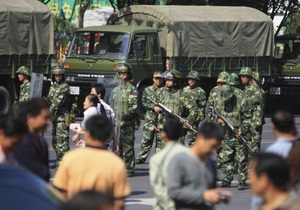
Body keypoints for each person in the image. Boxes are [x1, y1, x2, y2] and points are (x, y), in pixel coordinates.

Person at [53, 115, 130, 210]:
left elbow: (60, 192)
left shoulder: (70, 158)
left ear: (87, 133)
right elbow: (119, 202)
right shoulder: (116, 163)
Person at [167, 122, 228, 210]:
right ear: (200, 138)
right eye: (212, 146)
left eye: (216, 147)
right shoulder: (179, 160)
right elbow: (173, 192)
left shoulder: (210, 163)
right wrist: (203, 196)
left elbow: (210, 192)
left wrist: (217, 195)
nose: (214, 151)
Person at [149, 118, 189, 210]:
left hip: (164, 205)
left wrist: (171, 205)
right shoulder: (190, 155)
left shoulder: (156, 159)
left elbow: (158, 188)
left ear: (163, 134)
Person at [215, 85, 249, 190]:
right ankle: (226, 179)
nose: (226, 100)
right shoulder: (220, 103)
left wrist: (242, 130)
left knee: (241, 159)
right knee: (226, 158)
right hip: (227, 134)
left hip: (239, 135)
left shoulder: (241, 102)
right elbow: (217, 115)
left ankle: (242, 181)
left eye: (228, 98)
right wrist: (219, 121)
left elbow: (247, 118)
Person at [154, 70, 198, 146]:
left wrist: (188, 122)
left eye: (169, 80)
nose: (167, 82)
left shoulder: (183, 94)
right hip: (164, 129)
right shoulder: (163, 93)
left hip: (177, 130)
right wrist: (155, 119)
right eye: (166, 80)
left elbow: (194, 109)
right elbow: (156, 106)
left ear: (176, 81)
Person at [109, 63, 138, 177]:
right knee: (116, 146)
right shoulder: (116, 90)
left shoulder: (132, 89)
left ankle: (129, 169)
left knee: (127, 147)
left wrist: (125, 115)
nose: (122, 76)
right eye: (120, 73)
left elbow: (133, 106)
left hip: (127, 123)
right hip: (116, 123)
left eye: (124, 73)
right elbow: (111, 103)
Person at [13, 99, 51, 181]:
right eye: (45, 118)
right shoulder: (22, 143)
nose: (48, 122)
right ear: (30, 118)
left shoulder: (40, 141)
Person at [136, 71, 164, 164]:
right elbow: (143, 102)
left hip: (161, 118)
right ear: (153, 79)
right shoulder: (147, 90)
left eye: (160, 79)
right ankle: (141, 158)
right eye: (156, 78)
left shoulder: (165, 91)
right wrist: (153, 107)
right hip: (150, 118)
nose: (158, 81)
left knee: (160, 140)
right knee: (147, 139)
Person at [47, 66, 70, 169]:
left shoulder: (65, 87)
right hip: (55, 117)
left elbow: (57, 102)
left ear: (62, 76)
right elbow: (49, 100)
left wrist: (47, 112)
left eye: (59, 75)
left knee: (62, 141)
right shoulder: (53, 87)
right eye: (56, 75)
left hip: (62, 117)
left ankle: (65, 163)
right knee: (55, 141)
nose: (57, 77)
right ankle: (58, 161)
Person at [239, 67, 262, 159]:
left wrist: (256, 122)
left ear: (249, 77)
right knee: (245, 146)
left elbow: (259, 107)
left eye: (245, 77)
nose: (242, 78)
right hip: (245, 121)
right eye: (241, 77)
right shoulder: (245, 88)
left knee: (254, 148)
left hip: (252, 121)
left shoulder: (255, 89)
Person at [180, 70, 206, 146]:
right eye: (189, 79)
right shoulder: (185, 89)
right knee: (180, 140)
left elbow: (201, 107)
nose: (191, 80)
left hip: (193, 120)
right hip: (183, 117)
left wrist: (193, 120)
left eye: (193, 79)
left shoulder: (201, 92)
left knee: (193, 142)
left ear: (196, 80)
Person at [91, 83, 118, 151]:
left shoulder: (94, 107)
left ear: (99, 94)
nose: (90, 94)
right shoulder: (109, 108)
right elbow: (112, 126)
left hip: (96, 140)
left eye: (92, 92)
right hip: (106, 141)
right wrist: (115, 142)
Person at [252, 72, 266, 150]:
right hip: (251, 121)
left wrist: (257, 122)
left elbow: (260, 107)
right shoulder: (251, 89)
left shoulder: (258, 91)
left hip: (255, 121)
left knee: (254, 146)